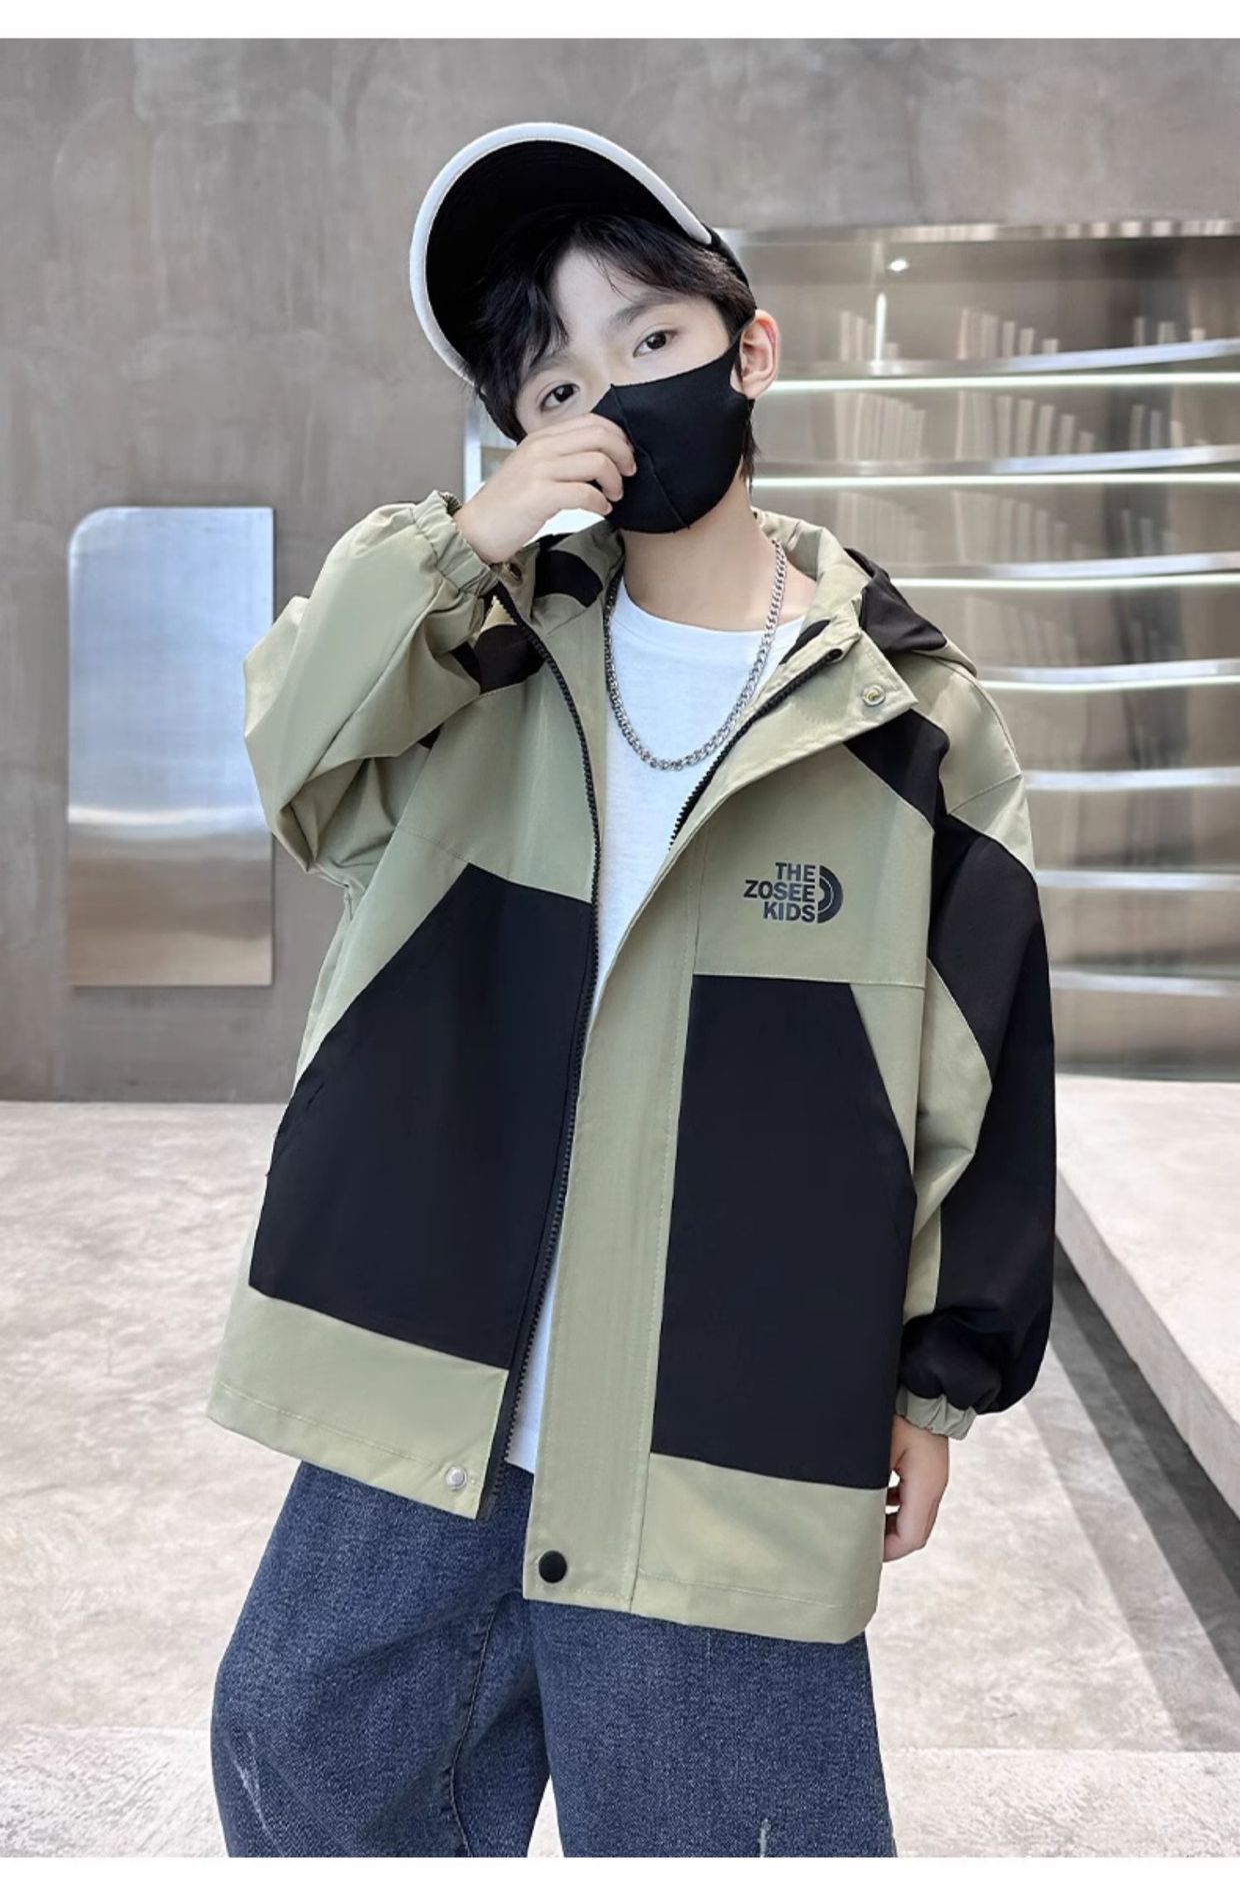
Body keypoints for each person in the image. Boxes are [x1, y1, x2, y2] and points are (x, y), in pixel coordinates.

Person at [207, 122, 1057, 1858]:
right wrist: (465, 538)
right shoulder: (474, 651)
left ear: (752, 351)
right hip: (427, 1388)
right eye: (556, 386)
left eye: (651, 339)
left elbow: (979, 1075)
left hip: (722, 1418)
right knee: (312, 1786)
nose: (608, 399)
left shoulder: (908, 720)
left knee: (725, 1839)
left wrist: (932, 1386)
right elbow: (295, 756)